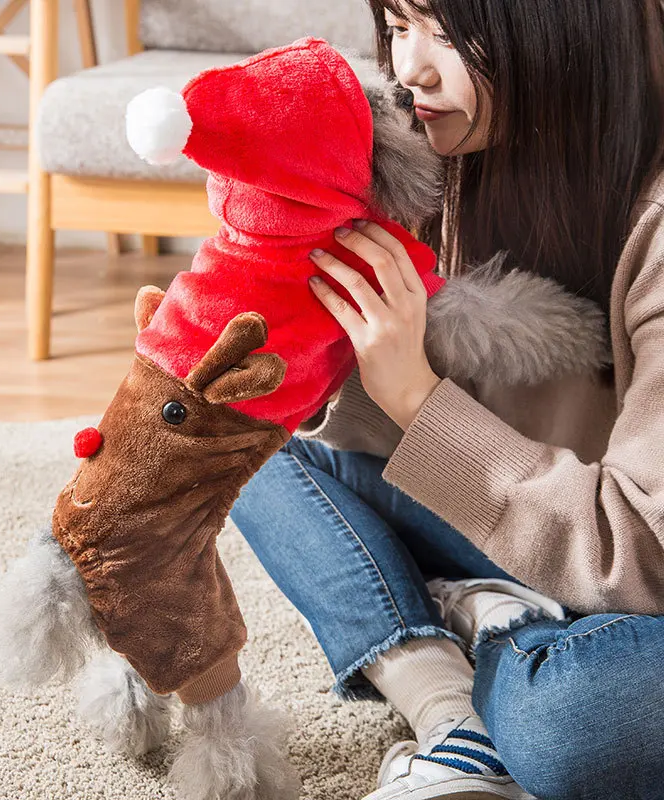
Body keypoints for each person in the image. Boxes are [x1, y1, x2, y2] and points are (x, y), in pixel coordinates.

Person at [228, 1, 664, 798]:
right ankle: (452, 712)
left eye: (450, 32)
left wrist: (419, 401)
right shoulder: (454, 153)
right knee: (245, 426)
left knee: (577, 718)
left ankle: (503, 629)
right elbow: (377, 426)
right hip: (544, 531)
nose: (409, 69)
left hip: (640, 575)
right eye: (397, 25)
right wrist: (288, 318)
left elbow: (645, 550)